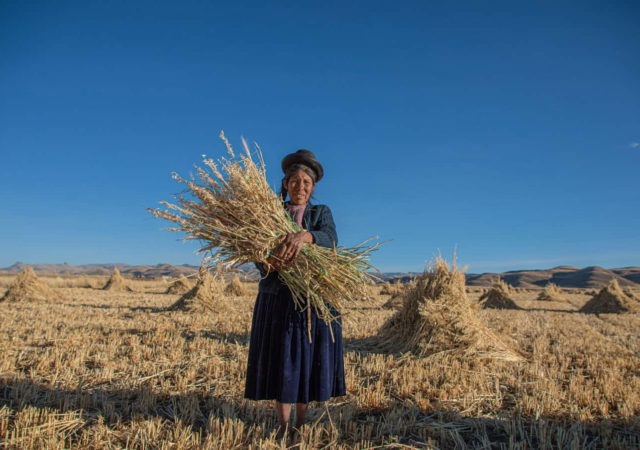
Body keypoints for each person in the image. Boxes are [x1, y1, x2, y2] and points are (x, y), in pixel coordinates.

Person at [244, 149, 346, 440]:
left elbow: (331, 239)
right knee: (282, 359)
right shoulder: (271, 214)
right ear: (286, 183)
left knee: (305, 359)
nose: (300, 186)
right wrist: (266, 263)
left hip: (312, 299)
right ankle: (282, 424)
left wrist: (304, 236)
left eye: (307, 182)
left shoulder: (320, 213)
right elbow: (257, 252)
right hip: (278, 297)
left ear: (313, 187)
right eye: (295, 181)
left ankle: (300, 424)